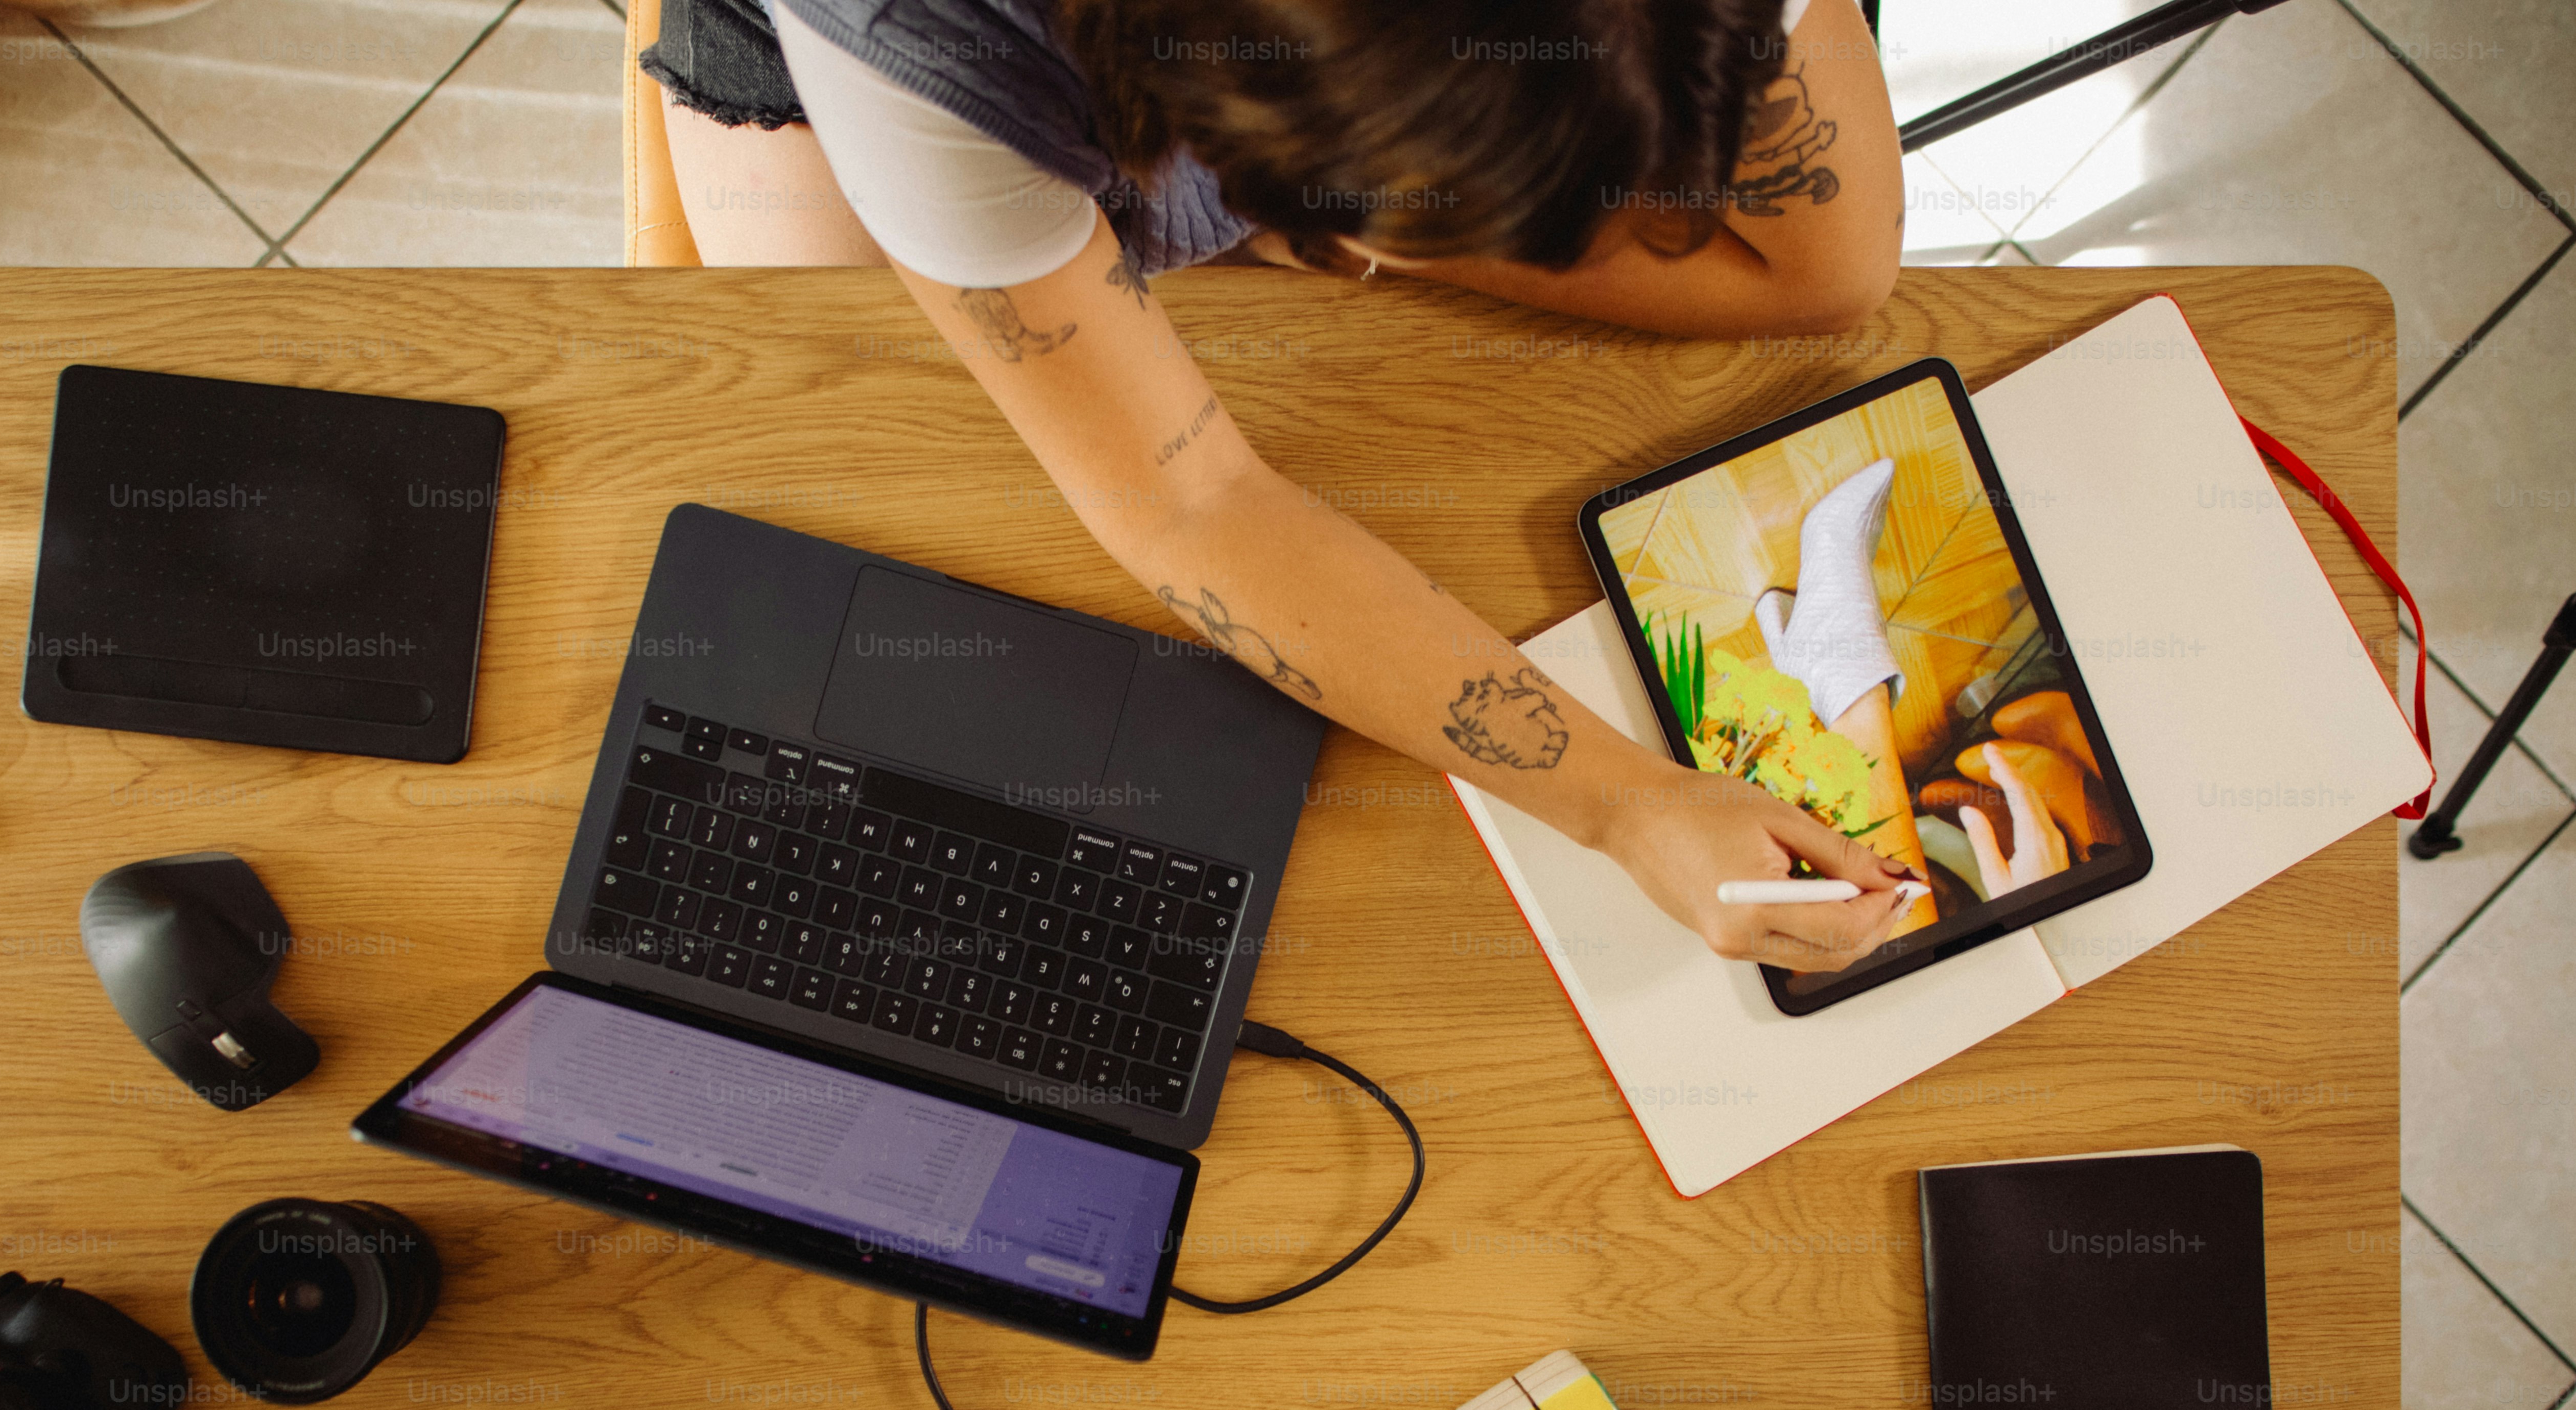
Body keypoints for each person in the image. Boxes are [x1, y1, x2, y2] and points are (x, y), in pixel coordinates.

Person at [646, 0, 1914, 972]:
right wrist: (1623, 807)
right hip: (876, 76)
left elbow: (1830, 273)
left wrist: (1371, 238)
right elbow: (1187, 507)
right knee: (879, 479)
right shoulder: (928, 44)